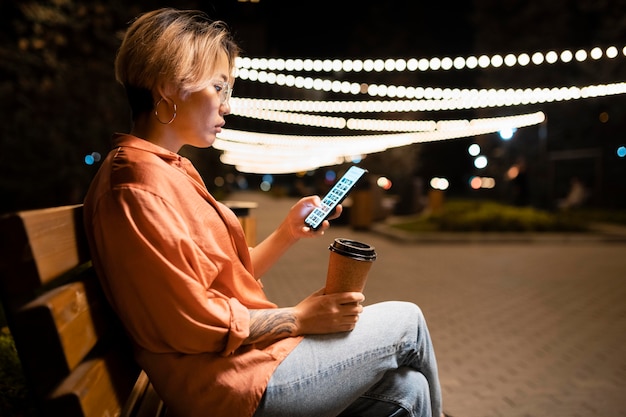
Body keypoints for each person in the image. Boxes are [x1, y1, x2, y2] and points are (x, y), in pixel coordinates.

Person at [83, 8, 446, 417]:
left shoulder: (165, 170)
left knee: (408, 391)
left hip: (247, 364)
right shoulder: (138, 185)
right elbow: (186, 323)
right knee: (408, 323)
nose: (227, 105)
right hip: (229, 386)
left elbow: (216, 280)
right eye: (219, 87)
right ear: (169, 86)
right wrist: (298, 319)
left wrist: (288, 232)